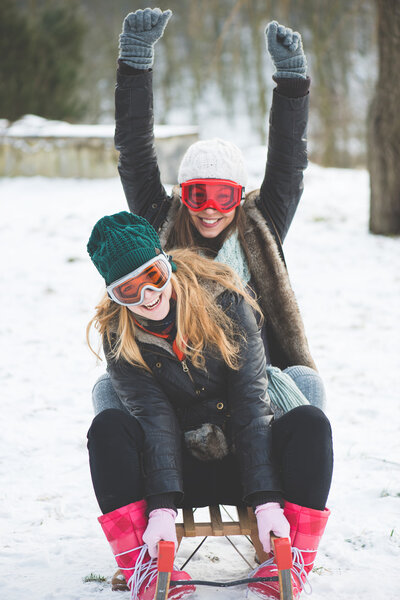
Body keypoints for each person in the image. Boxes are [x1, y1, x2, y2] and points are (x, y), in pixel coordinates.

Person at [93, 7, 327, 420]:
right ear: (182, 195)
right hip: (174, 389)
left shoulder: (261, 226)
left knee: (307, 384)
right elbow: (134, 153)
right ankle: (141, 483)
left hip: (252, 387)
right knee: (105, 390)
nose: (210, 211)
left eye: (223, 196)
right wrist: (135, 62)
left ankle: (288, 477)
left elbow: (289, 166)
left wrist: (291, 81)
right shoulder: (158, 225)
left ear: (240, 197)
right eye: (197, 195)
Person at [86, 211, 333, 600]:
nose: (147, 298)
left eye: (152, 278)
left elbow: (251, 399)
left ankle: (290, 559)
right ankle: (142, 566)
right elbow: (154, 416)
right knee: (108, 428)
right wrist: (163, 507)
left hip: (245, 460)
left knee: (310, 422)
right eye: (128, 291)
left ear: (165, 263)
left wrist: (267, 499)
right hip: (177, 472)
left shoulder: (225, 301)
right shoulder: (120, 333)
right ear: (114, 295)